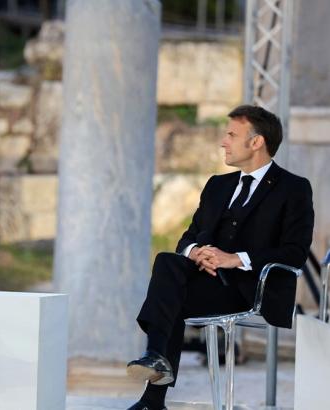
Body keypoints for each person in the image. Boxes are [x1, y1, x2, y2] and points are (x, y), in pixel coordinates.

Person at [125, 105, 314, 410]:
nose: (223, 142)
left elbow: (295, 252)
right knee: (168, 262)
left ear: (256, 142)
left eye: (231, 135)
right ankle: (156, 358)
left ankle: (153, 397)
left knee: (170, 298)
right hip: (206, 281)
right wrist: (196, 252)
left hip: (249, 290)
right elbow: (187, 238)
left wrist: (235, 258)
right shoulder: (218, 185)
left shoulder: (293, 189)